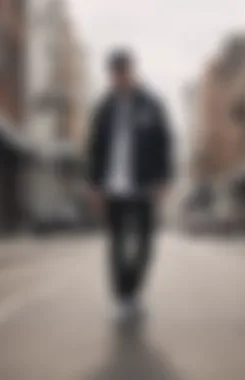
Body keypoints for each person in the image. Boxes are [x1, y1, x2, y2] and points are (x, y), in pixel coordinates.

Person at [87, 48, 173, 321]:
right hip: (113, 189)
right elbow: (94, 148)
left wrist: (163, 178)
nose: (119, 76)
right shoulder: (103, 108)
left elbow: (165, 143)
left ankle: (134, 291)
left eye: (124, 71)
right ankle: (123, 298)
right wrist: (95, 185)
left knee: (146, 244)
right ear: (111, 75)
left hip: (143, 186)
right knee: (116, 245)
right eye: (115, 72)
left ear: (132, 71)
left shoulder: (151, 104)